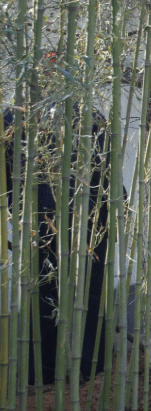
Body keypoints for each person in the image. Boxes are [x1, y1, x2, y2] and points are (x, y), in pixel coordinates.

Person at [3, 104, 111, 385]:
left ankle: (85, 370)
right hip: (41, 228)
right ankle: (47, 372)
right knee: (45, 295)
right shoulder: (12, 118)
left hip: (85, 224)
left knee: (86, 292)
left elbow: (106, 173)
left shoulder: (89, 117)